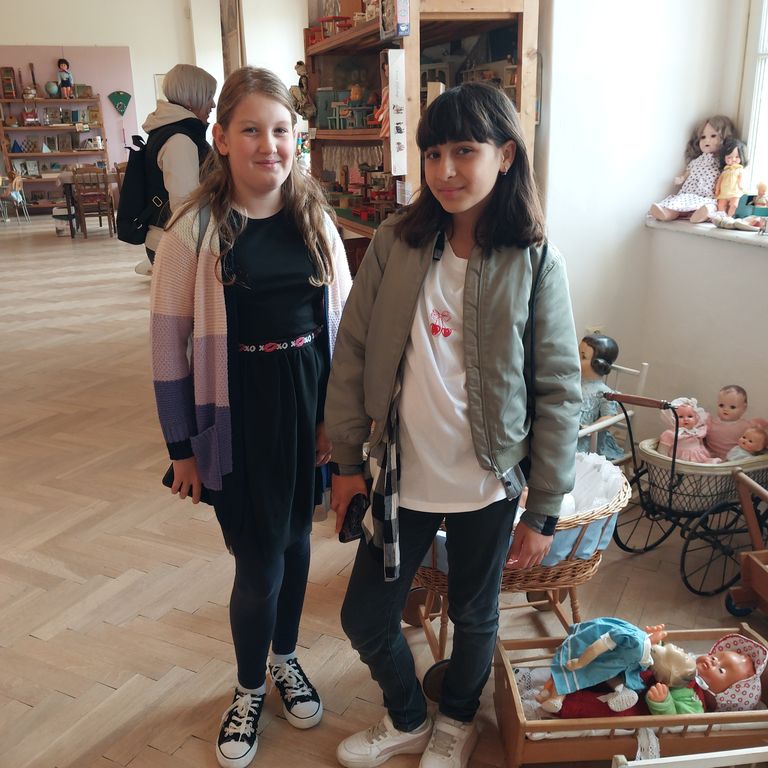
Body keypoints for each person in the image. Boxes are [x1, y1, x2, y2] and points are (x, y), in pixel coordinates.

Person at [325, 82, 581, 768]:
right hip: (399, 477)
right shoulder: (394, 242)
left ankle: (458, 719)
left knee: (474, 615)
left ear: (505, 156)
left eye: (464, 151)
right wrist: (345, 462)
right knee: (364, 616)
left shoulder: (536, 260)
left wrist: (544, 509)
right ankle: (409, 714)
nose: (444, 170)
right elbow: (352, 352)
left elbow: (559, 388)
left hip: (487, 484)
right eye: (433, 152)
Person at [150, 66, 352, 768]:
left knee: (295, 542)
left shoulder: (315, 223)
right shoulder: (193, 232)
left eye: (281, 130)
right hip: (235, 416)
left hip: (307, 411)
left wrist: (338, 424)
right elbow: (168, 349)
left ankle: (285, 658)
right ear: (221, 138)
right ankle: (248, 688)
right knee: (259, 560)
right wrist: (181, 447)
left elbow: (343, 332)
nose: (269, 145)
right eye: (252, 130)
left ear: (296, 137)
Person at [135, 63, 217, 276]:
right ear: (191, 99)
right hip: (177, 245)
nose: (213, 104)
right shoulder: (180, 140)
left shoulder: (169, 131)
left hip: (169, 240)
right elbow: (185, 204)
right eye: (209, 96)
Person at [649, 115, 736, 222]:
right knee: (677, 204)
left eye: (713, 136)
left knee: (709, 206)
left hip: (707, 196)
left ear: (725, 139)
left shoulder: (722, 161)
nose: (707, 140)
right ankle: (665, 213)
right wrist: (681, 178)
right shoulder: (696, 161)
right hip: (688, 194)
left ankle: (701, 214)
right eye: (703, 137)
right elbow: (688, 172)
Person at [576, 333, 623, 461]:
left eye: (583, 356)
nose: (576, 359)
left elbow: (608, 417)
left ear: (598, 364)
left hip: (587, 441)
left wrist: (590, 428)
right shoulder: (573, 382)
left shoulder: (603, 392)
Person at [657, 397, 720, 463]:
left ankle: (709, 463)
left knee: (707, 462)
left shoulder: (697, 431)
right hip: (680, 460)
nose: (686, 419)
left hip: (699, 457)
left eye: (690, 416)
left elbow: (701, 444)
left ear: (696, 418)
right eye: (681, 417)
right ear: (673, 419)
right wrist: (664, 463)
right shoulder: (671, 434)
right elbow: (663, 451)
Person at [705, 385, 750, 459]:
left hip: (735, 460)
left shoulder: (746, 426)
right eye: (721, 405)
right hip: (712, 458)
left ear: (744, 408)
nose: (725, 409)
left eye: (732, 407)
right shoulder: (710, 422)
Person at [714, 138, 748, 217]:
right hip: (724, 193)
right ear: (724, 158)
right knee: (720, 205)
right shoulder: (725, 171)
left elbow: (741, 179)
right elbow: (719, 180)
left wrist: (741, 186)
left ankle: (729, 218)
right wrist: (717, 189)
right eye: (729, 157)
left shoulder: (739, 169)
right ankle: (721, 218)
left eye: (737, 157)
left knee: (734, 205)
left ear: (742, 157)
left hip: (735, 192)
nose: (733, 159)